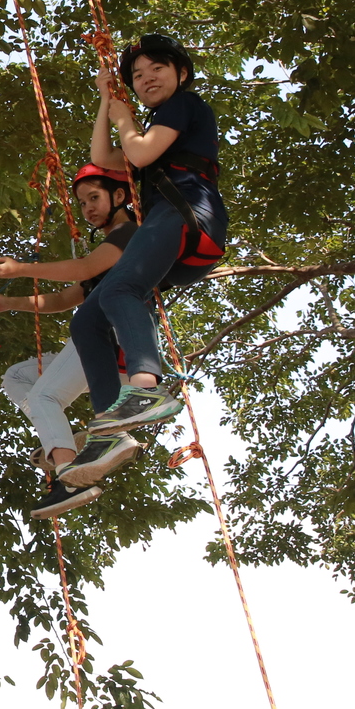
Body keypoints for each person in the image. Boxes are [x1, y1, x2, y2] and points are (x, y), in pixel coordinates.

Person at [71, 35, 228, 435]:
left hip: (187, 214)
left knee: (119, 289)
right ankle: (111, 429)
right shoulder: (157, 129)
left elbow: (138, 154)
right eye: (138, 75)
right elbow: (102, 158)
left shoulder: (184, 106)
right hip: (172, 231)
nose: (147, 78)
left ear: (182, 73)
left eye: (157, 68)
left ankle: (144, 388)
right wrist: (108, 102)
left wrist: (125, 119)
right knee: (89, 319)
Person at [0, 163, 144, 520]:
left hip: (112, 337)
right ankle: (61, 440)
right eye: (82, 202)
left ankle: (69, 475)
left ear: (118, 196)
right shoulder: (108, 252)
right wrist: (10, 303)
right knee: (18, 378)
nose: (87, 208)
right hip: (99, 337)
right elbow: (61, 299)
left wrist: (21, 268)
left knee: (44, 395)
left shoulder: (129, 234)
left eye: (94, 197)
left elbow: (84, 268)